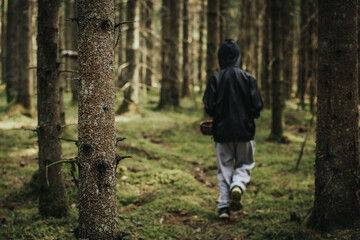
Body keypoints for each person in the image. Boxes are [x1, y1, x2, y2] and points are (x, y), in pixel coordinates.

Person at [202, 39, 263, 219]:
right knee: (245, 164)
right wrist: (251, 115)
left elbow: (209, 106)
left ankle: (223, 208)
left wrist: (218, 115)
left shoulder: (216, 78)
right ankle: (238, 185)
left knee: (224, 169)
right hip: (245, 132)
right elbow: (257, 105)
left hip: (222, 133)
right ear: (238, 56)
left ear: (220, 57)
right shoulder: (248, 78)